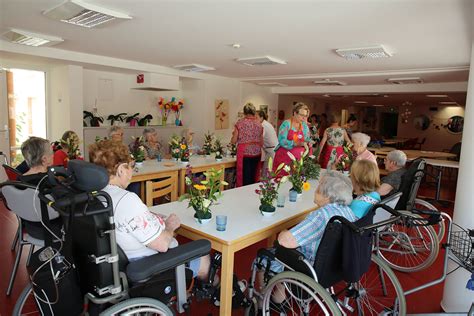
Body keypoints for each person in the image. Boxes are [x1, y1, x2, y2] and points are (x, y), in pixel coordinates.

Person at [88, 139, 210, 280]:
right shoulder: (127, 200)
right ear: (121, 170)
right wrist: (170, 225)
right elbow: (163, 245)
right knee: (204, 257)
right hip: (147, 264)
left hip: (119, 263)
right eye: (131, 166)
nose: (132, 171)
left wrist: (149, 215)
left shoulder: (99, 195)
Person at [256, 171, 356, 303]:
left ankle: (265, 298)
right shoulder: (348, 211)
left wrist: (284, 231)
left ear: (327, 196)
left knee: (263, 256)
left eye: (319, 188)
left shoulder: (322, 215)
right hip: (334, 266)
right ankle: (279, 296)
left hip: (308, 266)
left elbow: (284, 241)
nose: (316, 190)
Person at [17, 136, 62, 239]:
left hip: (30, 228)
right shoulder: (48, 182)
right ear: (45, 159)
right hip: (52, 231)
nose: (53, 155)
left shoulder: (18, 181)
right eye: (52, 153)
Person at [273, 102, 311, 175]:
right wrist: (296, 143)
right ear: (295, 113)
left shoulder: (304, 126)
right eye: (302, 115)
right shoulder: (286, 124)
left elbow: (307, 139)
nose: (304, 118)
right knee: (282, 179)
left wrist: (307, 143)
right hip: (284, 157)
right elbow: (282, 140)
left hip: (299, 159)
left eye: (305, 116)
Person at [231, 103, 263, 186]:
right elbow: (261, 141)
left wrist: (232, 139)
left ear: (244, 112)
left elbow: (234, 140)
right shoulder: (259, 124)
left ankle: (243, 196)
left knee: (244, 178)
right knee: (254, 176)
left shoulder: (240, 123)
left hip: (245, 153)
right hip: (257, 153)